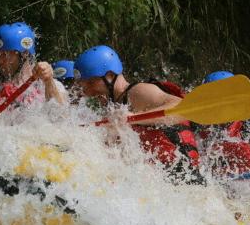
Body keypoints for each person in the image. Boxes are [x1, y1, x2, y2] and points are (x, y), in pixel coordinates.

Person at [74, 45, 203, 184]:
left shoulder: (138, 92)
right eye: (84, 84)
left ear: (110, 76)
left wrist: (132, 118)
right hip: (159, 177)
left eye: (91, 82)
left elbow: (183, 109)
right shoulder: (112, 103)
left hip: (185, 175)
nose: (88, 90)